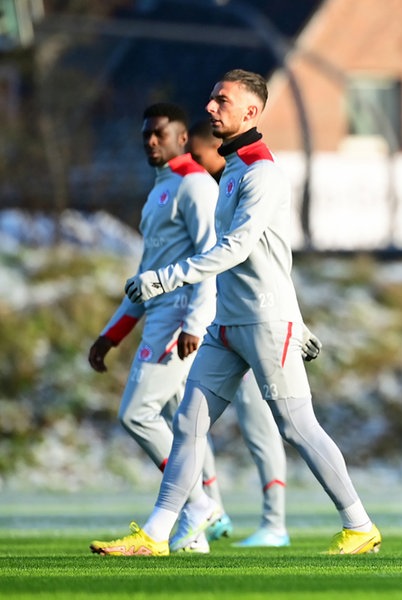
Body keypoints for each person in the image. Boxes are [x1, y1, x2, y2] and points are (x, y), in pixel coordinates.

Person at [90, 69, 381, 556]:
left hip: (265, 323)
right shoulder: (233, 172)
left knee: (295, 426)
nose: (210, 107)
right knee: (187, 424)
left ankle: (359, 525)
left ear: (251, 111)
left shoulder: (263, 173)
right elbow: (271, 254)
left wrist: (166, 278)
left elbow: (238, 249)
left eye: (221, 100)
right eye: (210, 99)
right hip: (226, 325)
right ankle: (157, 535)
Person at [88, 102, 240, 553]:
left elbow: (210, 258)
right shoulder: (161, 189)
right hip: (158, 314)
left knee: (136, 414)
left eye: (159, 133)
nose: (151, 141)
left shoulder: (194, 185)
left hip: (179, 320)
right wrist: (111, 334)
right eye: (145, 135)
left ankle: (199, 505)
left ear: (180, 138)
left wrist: (196, 321)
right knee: (183, 429)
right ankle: (194, 537)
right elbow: (146, 272)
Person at [186, 118, 295, 548]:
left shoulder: (249, 184)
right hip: (220, 323)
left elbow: (261, 260)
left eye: (198, 154)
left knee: (264, 424)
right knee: (189, 419)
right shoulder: (214, 192)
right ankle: (205, 509)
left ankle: (276, 524)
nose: (195, 162)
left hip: (251, 320)